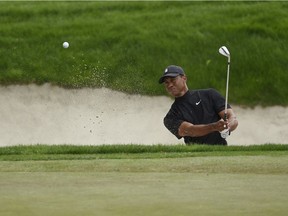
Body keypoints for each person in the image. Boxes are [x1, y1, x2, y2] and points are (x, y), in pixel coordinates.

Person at [159, 65, 238, 145]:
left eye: (173, 80)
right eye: (166, 82)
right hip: (195, 155)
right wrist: (215, 127)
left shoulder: (210, 94)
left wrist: (228, 127)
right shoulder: (170, 117)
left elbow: (232, 117)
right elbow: (190, 130)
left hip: (220, 151)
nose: (170, 85)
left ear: (184, 78)